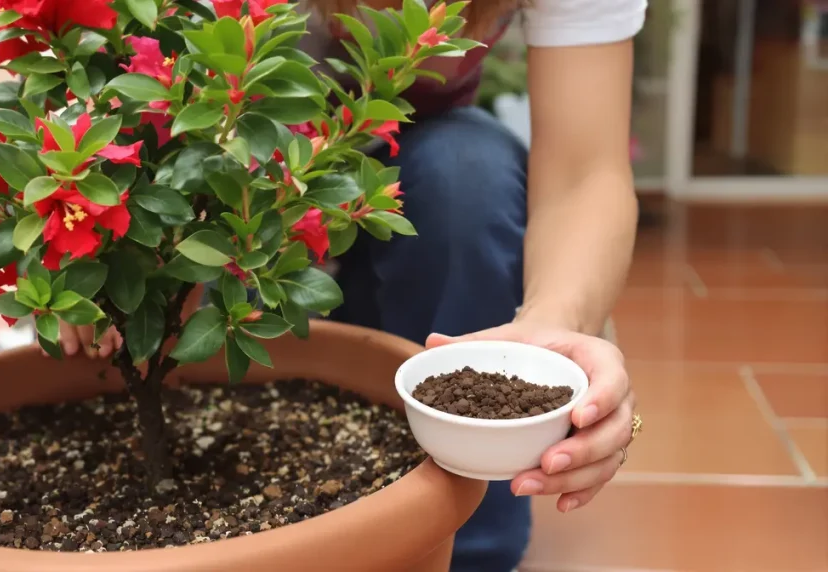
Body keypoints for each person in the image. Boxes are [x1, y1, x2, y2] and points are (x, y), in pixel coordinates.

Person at [58, 1, 644, 570]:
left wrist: (553, 328)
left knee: (469, 177)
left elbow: (584, 173)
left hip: (409, 196)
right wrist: (117, 252)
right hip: (235, 198)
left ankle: (466, 547)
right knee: (229, 358)